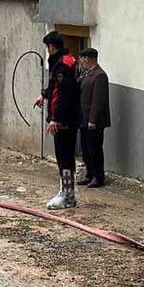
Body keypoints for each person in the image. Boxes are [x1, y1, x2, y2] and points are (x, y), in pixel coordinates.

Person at [33, 31, 80, 209]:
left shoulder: (62, 65)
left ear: (51, 47)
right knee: (65, 156)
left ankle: (67, 195)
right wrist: (43, 95)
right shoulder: (66, 61)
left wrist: (55, 119)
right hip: (68, 118)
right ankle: (68, 192)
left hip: (65, 120)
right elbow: (54, 87)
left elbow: (62, 95)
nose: (47, 51)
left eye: (47, 47)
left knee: (64, 156)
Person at [77, 48, 112, 187]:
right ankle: (89, 174)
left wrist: (93, 119)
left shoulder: (100, 75)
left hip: (94, 120)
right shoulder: (87, 73)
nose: (82, 61)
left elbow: (98, 100)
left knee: (95, 148)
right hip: (84, 117)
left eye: (83, 58)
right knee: (86, 148)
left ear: (88, 59)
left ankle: (98, 176)